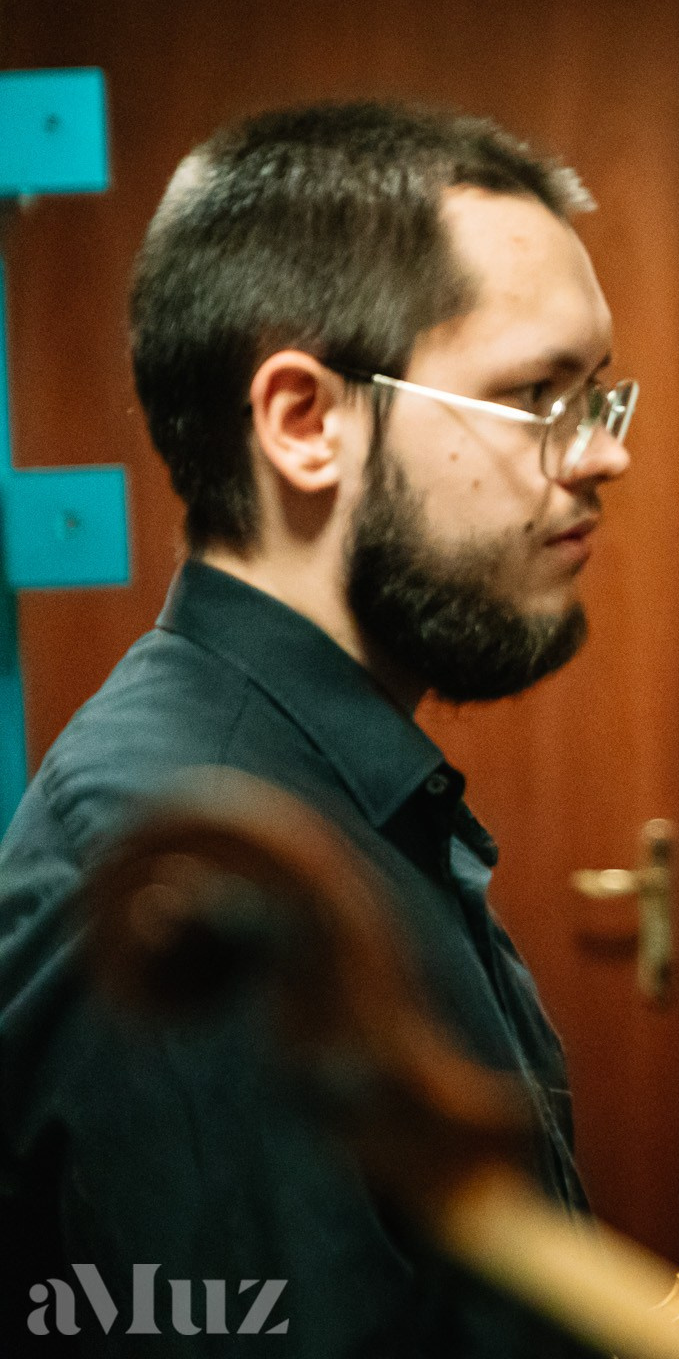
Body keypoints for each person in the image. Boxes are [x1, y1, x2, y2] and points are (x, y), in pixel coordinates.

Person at [0, 102, 636, 1353]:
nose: (600, 457)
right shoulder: (180, 868)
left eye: (601, 397)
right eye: (536, 396)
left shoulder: (328, 779)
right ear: (303, 420)